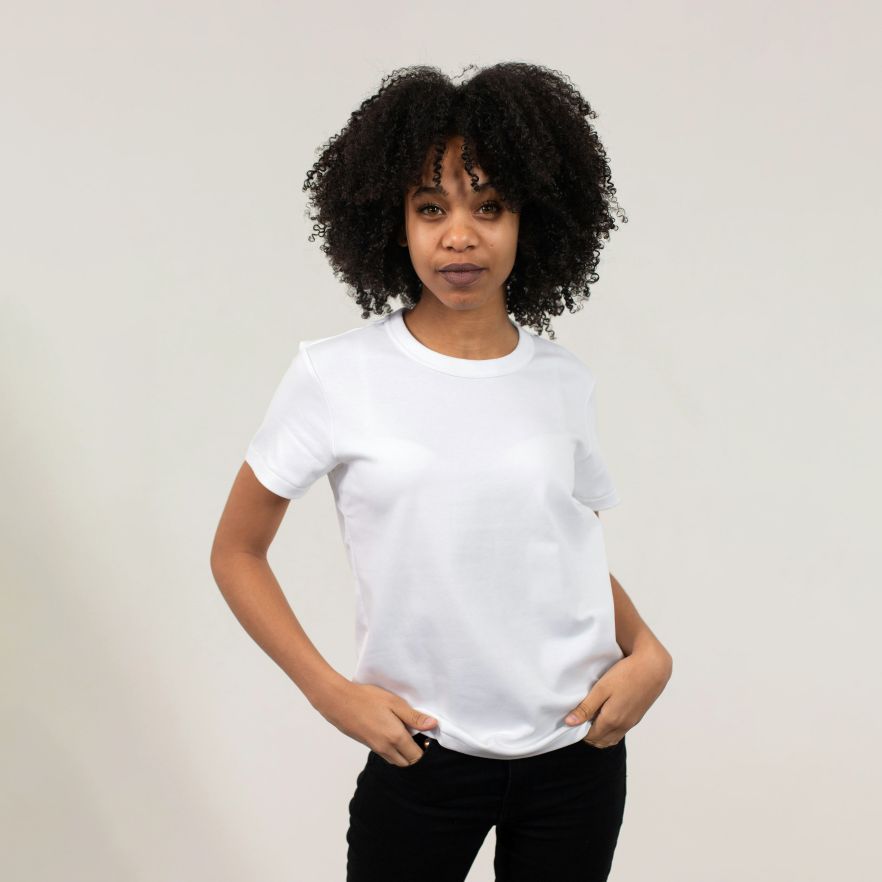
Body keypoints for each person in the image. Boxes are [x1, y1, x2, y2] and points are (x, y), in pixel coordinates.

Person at [211, 62, 673, 882]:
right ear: (394, 223)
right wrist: (329, 691)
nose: (460, 235)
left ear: (532, 220)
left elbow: (565, 553)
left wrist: (648, 653)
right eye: (432, 208)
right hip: (422, 756)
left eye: (488, 207)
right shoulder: (335, 376)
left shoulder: (562, 379)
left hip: (578, 753)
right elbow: (236, 552)